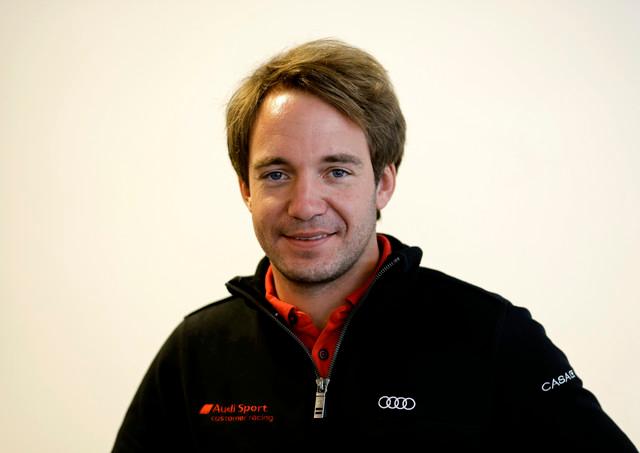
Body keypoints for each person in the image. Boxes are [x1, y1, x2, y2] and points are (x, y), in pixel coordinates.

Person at [112, 38, 637, 452]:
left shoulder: (492, 335)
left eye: (337, 171)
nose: (304, 204)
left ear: (383, 182)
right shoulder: (194, 352)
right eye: (276, 174)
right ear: (246, 189)